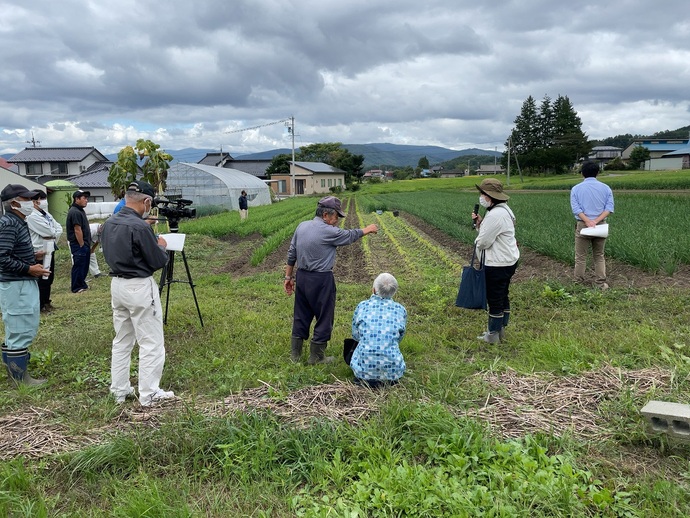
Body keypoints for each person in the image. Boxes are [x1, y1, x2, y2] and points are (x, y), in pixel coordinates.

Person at [100, 180, 175, 406]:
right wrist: (161, 245)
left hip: (118, 285)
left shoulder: (110, 222)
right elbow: (157, 260)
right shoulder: (140, 227)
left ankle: (119, 390)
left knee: (122, 340)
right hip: (140, 286)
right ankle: (149, 393)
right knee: (151, 341)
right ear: (147, 201)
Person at [284, 196, 378, 364]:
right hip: (321, 279)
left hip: (302, 277)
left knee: (301, 314)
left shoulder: (302, 226)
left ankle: (295, 355)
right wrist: (368, 229)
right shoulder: (329, 231)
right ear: (326, 215)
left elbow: (292, 253)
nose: (336, 221)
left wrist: (288, 277)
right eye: (336, 217)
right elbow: (349, 236)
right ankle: (317, 357)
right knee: (324, 316)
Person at [0, 184, 51, 385]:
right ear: (14, 203)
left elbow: (10, 252)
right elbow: (2, 257)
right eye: (27, 199)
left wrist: (33, 255)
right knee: (21, 327)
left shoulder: (16, 221)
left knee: (16, 328)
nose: (32, 203)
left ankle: (15, 373)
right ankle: (20, 378)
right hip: (17, 283)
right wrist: (29, 268)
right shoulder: (10, 224)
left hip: (18, 282)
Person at [471, 178, 519, 344]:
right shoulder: (504, 210)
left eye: (482, 194)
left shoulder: (496, 215)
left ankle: (492, 335)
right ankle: (501, 330)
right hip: (508, 260)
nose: (481, 197)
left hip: (497, 263)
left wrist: (479, 233)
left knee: (495, 299)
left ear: (489, 197)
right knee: (503, 295)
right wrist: (480, 225)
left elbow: (484, 242)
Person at [349, 273, 407, 388]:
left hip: (362, 375)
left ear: (374, 290)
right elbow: (400, 337)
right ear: (394, 291)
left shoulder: (362, 306)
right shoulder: (400, 309)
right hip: (393, 376)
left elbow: (356, 335)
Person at [570, 161, 614, 289]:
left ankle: (578, 283)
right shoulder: (606, 188)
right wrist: (596, 221)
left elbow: (576, 209)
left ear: (582, 173)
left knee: (580, 257)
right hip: (600, 226)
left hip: (583, 225)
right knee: (599, 255)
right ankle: (600, 283)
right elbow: (609, 209)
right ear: (597, 173)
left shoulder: (576, 189)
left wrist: (588, 221)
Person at [26, 190, 63, 312]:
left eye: (43, 198)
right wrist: (52, 233)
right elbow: (48, 231)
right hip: (39, 250)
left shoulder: (46, 214)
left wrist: (53, 234)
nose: (42, 201)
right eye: (40, 199)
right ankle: (40, 305)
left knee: (49, 277)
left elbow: (58, 228)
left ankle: (47, 301)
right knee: (41, 278)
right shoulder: (31, 215)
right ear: (34, 201)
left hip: (49, 247)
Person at [66, 189, 92, 293]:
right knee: (79, 264)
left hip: (84, 243)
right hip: (78, 244)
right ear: (77, 199)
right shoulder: (75, 212)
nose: (86, 200)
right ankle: (76, 287)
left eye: (87, 198)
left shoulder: (80, 210)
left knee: (84, 265)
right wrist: (81, 244)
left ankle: (82, 284)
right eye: (84, 198)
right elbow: (77, 229)